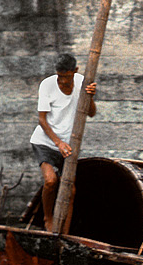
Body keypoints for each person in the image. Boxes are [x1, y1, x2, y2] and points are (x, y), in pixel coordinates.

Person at [30, 53, 97, 229]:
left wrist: (90, 96)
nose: (62, 81)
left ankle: (64, 231)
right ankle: (47, 218)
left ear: (74, 71)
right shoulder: (47, 85)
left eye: (66, 77)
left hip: (68, 145)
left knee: (71, 190)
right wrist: (58, 143)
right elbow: (42, 120)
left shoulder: (83, 81)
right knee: (51, 181)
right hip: (45, 141)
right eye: (59, 76)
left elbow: (91, 113)